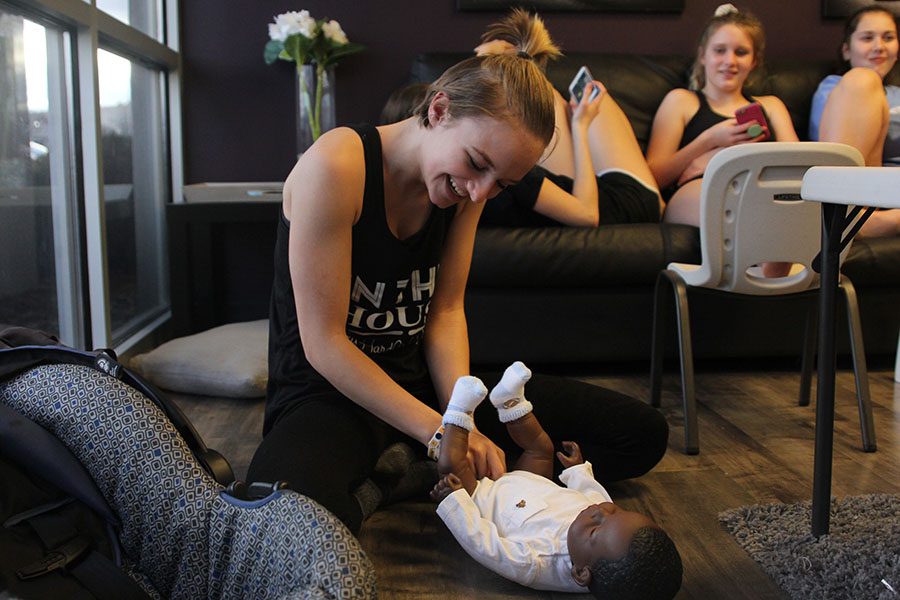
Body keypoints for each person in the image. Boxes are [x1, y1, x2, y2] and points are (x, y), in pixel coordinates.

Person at [246, 54, 670, 534]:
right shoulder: (336, 165)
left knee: (640, 435)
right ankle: (403, 473)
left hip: (424, 389)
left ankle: (406, 470)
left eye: (501, 184)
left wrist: (459, 418)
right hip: (330, 398)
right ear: (439, 110)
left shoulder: (469, 193)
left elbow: (445, 312)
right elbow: (324, 344)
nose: (479, 192)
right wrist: (439, 433)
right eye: (476, 164)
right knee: (285, 517)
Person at [431, 364, 683, 598]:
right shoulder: (604, 530)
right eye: (616, 511)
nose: (599, 511)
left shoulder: (536, 562)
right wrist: (577, 471)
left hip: (484, 497)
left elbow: (484, 544)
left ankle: (458, 415)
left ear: (581, 573)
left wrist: (457, 501)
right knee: (541, 447)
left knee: (451, 466)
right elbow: (593, 493)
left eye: (595, 530)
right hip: (534, 480)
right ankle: (509, 401)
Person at [474, 8, 665, 228]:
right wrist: (580, 126)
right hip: (628, 201)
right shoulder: (507, 170)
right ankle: (511, 67)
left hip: (612, 194)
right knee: (564, 98)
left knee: (558, 98)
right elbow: (588, 215)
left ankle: (511, 67)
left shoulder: (503, 167)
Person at [646, 4, 799, 227]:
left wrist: (718, 158)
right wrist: (709, 140)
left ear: (754, 60)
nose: (730, 61)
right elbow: (653, 178)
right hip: (698, 191)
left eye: (741, 52)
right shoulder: (681, 101)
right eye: (719, 50)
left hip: (759, 190)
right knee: (743, 208)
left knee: (788, 210)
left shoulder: (772, 106)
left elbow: (797, 168)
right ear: (703, 56)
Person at [809, 5, 900, 237]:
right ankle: (847, 217)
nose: (879, 46)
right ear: (847, 50)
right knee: (864, 79)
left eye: (888, 37)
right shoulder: (840, 86)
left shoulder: (896, 92)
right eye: (867, 37)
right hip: (867, 200)